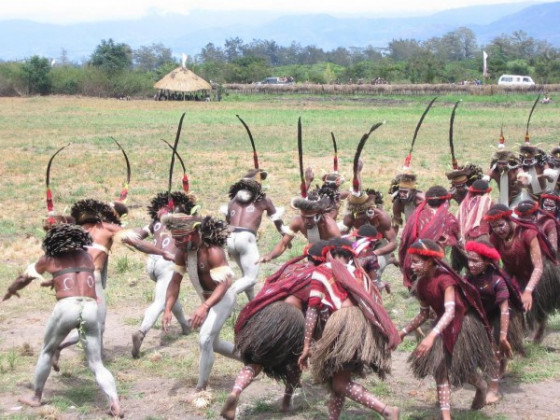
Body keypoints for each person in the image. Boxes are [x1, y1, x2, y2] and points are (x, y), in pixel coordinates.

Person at [2, 224, 123, 417]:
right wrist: (54, 280)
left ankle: (36, 396)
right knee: (96, 363)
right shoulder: (87, 256)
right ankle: (115, 402)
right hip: (91, 307)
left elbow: (24, 278)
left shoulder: (49, 258)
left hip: (67, 307)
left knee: (48, 350)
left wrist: (11, 290)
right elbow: (76, 276)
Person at [220, 241, 328, 419]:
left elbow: (271, 285)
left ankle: (236, 391)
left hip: (269, 313)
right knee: (295, 360)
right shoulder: (318, 276)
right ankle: (286, 401)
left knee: (256, 359)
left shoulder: (291, 268)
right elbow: (314, 309)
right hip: (292, 319)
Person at [297, 238, 400, 420]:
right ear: (350, 255)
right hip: (362, 327)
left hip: (343, 326)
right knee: (338, 377)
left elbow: (313, 310)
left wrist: (306, 344)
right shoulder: (359, 274)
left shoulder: (323, 270)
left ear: (330, 253)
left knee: (340, 383)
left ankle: (386, 410)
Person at [399, 239, 495, 420]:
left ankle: (481, 386)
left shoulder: (446, 280)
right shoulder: (421, 285)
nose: (412, 266)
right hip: (442, 325)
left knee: (462, 369)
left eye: (416, 261)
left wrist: (431, 336)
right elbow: (424, 314)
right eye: (412, 261)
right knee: (440, 369)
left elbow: (451, 312)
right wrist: (403, 332)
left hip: (462, 324)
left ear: (429, 261)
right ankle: (446, 416)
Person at [162, 212, 239, 407]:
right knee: (214, 344)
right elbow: (174, 282)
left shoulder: (212, 251)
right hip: (207, 300)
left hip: (223, 298)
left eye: (180, 239)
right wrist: (167, 309)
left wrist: (205, 306)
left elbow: (225, 283)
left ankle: (201, 388)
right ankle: (253, 360)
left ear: (194, 233)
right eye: (175, 240)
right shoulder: (182, 252)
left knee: (204, 339)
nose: (177, 244)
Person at [52, 198, 127, 369]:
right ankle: (66, 348)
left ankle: (96, 352)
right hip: (91, 278)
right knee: (97, 324)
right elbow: (135, 237)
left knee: (87, 322)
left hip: (73, 277)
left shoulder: (80, 228)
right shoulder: (107, 228)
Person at [122, 191, 196, 358]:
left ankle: (185, 326)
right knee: (161, 301)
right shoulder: (185, 219)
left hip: (152, 263)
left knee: (169, 293)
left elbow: (137, 236)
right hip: (168, 262)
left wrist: (122, 233)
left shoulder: (156, 221)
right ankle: (141, 332)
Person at [484, 203, 560, 343]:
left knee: (536, 304)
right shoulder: (495, 238)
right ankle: (516, 332)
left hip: (540, 272)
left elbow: (538, 267)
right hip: (515, 273)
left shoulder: (528, 233)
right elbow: (492, 263)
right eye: (494, 227)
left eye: (501, 225)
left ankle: (538, 326)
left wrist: (528, 291)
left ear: (509, 220)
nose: (498, 230)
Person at [463, 239, 524, 402]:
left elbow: (505, 310)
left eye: (475, 261)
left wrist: (503, 337)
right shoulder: (468, 279)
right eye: (469, 260)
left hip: (501, 315)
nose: (471, 264)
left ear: (487, 261)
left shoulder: (497, 280)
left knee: (496, 350)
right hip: (482, 315)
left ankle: (494, 390)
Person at [224, 175, 284, 301]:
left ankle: (253, 303)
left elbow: (228, 221)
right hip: (246, 237)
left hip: (230, 238)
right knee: (250, 279)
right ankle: (224, 296)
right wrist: (285, 235)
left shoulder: (232, 200)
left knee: (246, 276)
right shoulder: (264, 200)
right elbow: (277, 220)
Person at [399, 186, 460, 288]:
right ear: (445, 201)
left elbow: (406, 237)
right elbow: (456, 240)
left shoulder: (417, 216)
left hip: (416, 257)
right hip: (438, 259)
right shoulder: (449, 218)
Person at [259, 194, 340, 263]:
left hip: (334, 256)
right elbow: (284, 243)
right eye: (304, 217)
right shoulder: (298, 221)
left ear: (319, 214)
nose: (307, 221)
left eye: (310, 218)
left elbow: (341, 250)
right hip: (314, 255)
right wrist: (270, 255)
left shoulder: (330, 226)